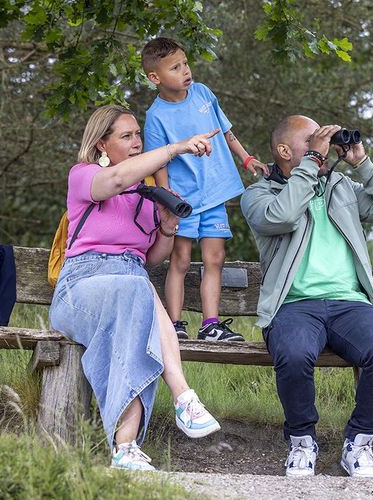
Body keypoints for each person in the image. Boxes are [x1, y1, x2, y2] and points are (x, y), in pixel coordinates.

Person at [49, 104, 223, 471]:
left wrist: (168, 225)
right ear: (101, 145)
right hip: (81, 287)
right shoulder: (83, 177)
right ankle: (182, 395)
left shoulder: (145, 196)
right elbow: (114, 181)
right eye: (126, 136)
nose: (135, 142)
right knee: (137, 288)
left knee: (136, 300)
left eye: (137, 135)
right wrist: (176, 148)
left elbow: (153, 256)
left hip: (129, 289)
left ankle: (125, 448)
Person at [240, 116, 373, 478]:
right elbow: (281, 217)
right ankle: (302, 442)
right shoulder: (259, 195)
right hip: (294, 306)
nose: (322, 144)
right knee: (294, 354)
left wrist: (362, 164)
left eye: (324, 139)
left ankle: (359, 442)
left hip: (351, 304)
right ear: (285, 151)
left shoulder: (340, 186)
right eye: (311, 139)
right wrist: (312, 164)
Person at [141, 37, 269, 342]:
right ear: (155, 78)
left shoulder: (203, 93)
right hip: (184, 201)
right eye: (175, 67)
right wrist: (167, 199)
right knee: (181, 261)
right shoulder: (155, 116)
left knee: (215, 259)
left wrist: (246, 157)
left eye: (185, 63)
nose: (185, 70)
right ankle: (174, 325)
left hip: (214, 195)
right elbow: (159, 163)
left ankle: (210, 325)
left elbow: (226, 131)